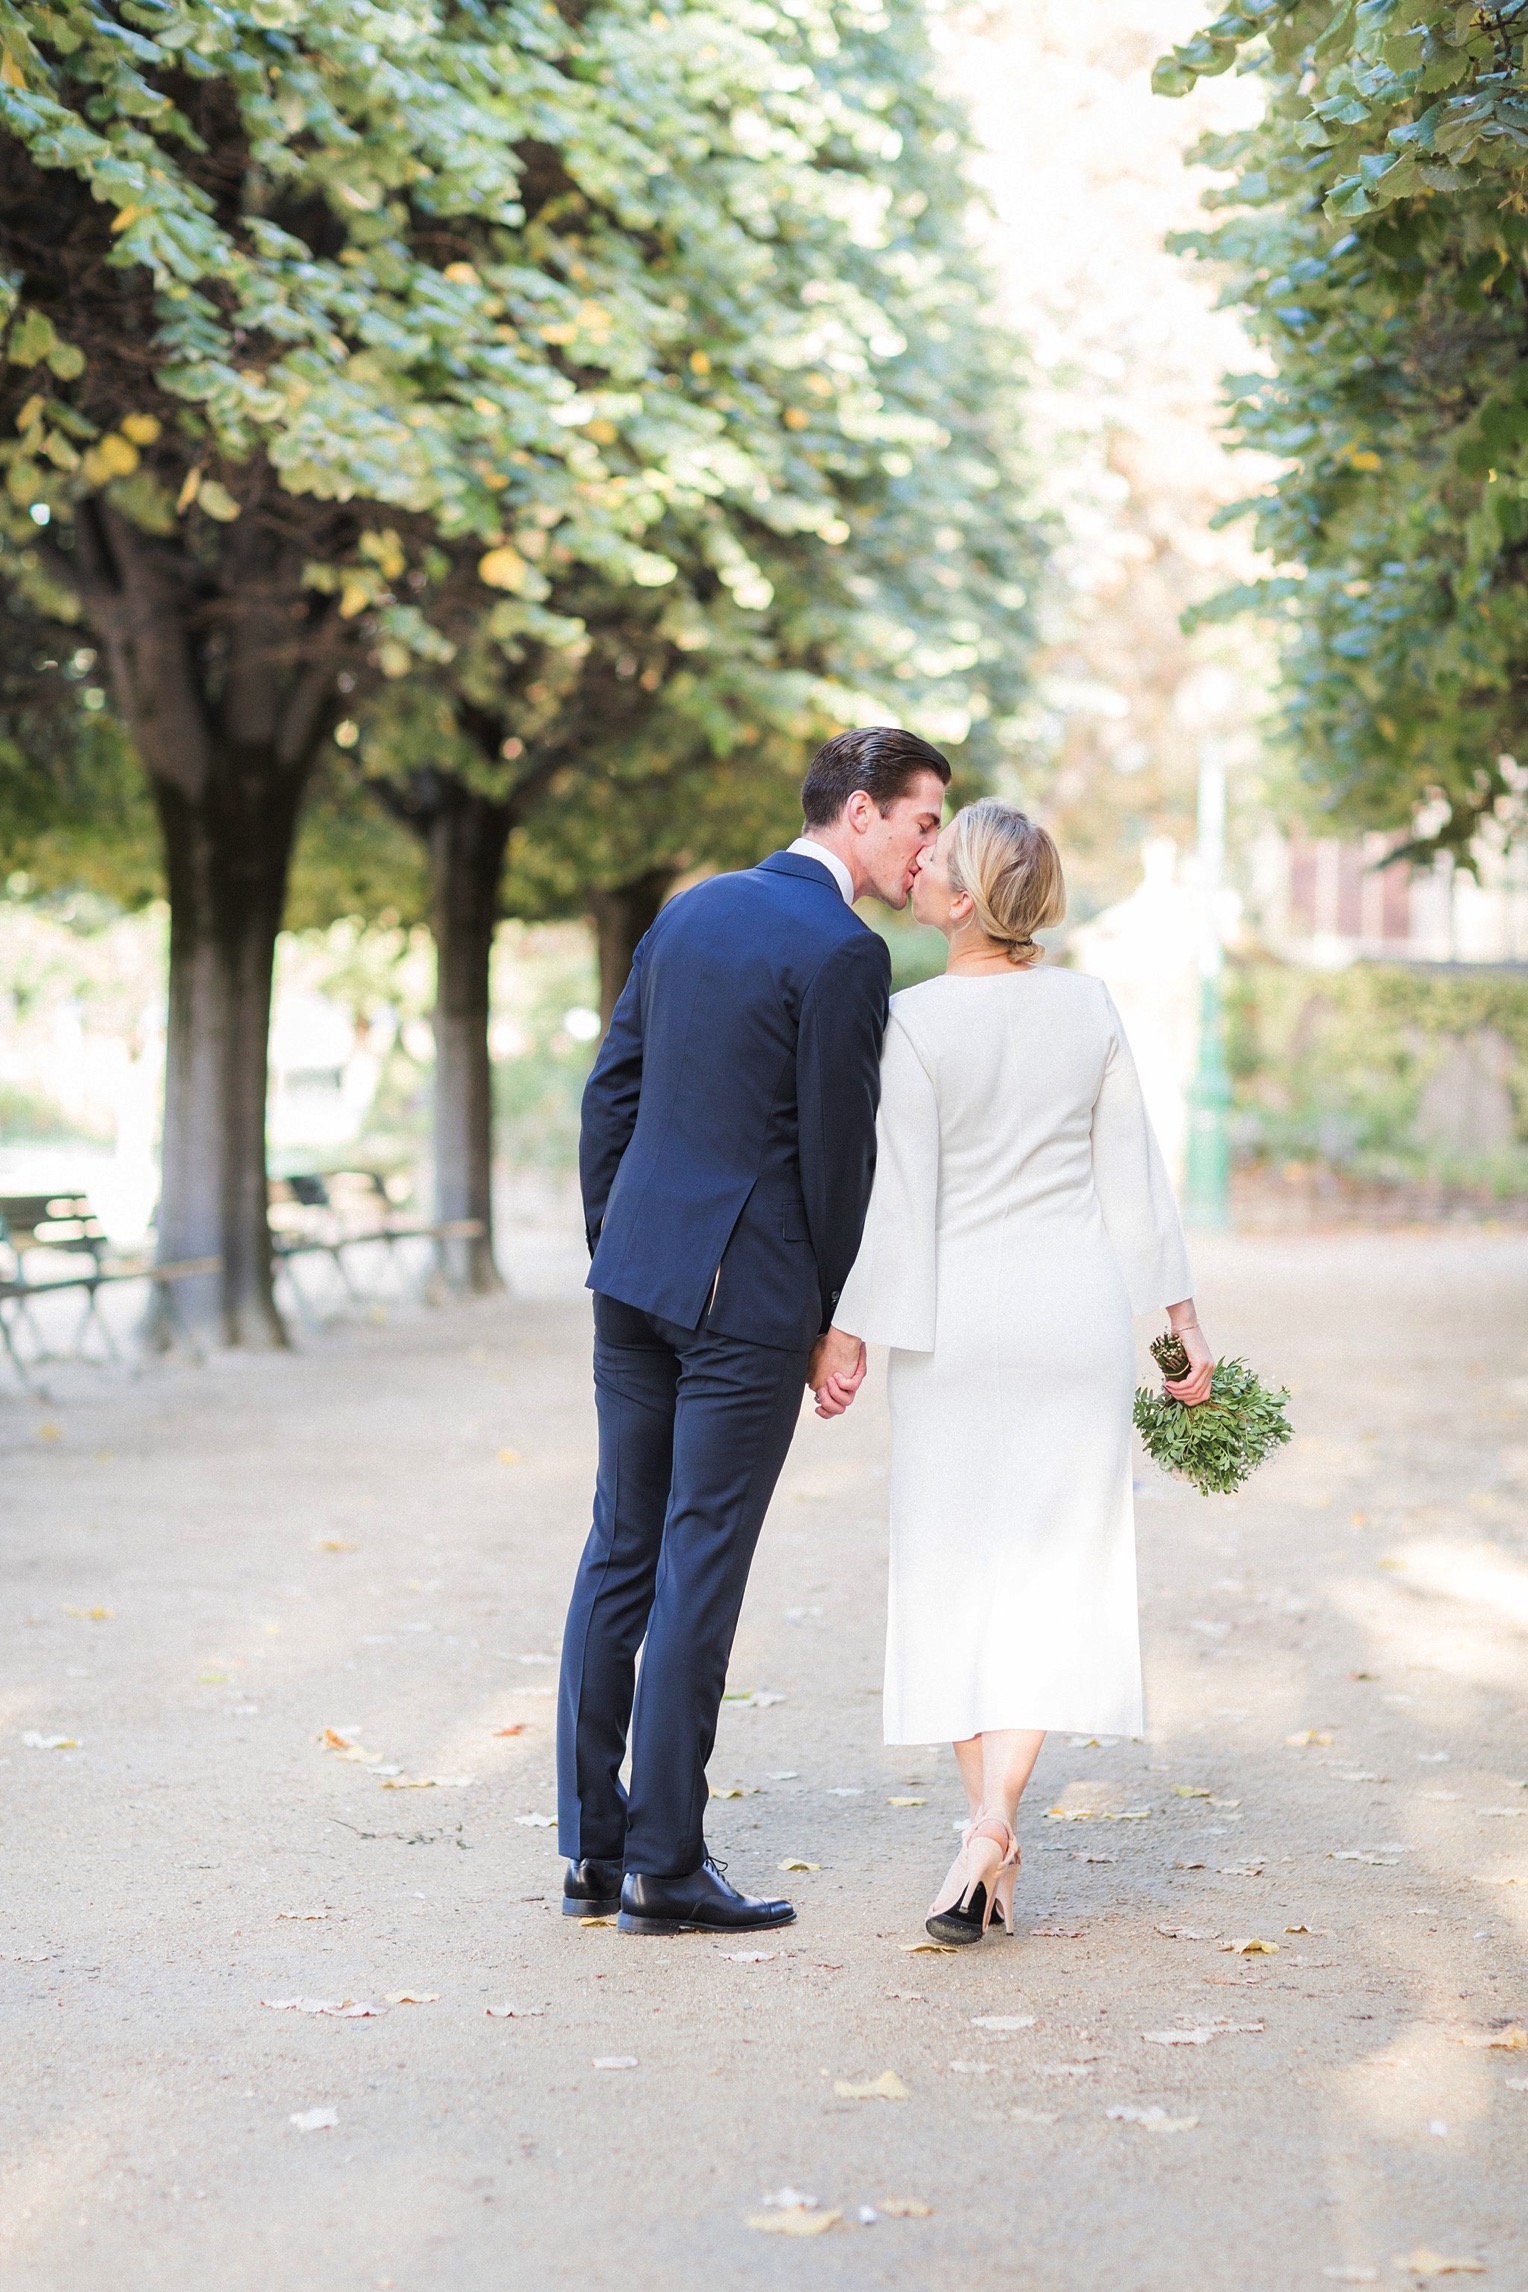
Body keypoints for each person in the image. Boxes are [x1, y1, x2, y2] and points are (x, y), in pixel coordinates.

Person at [557, 725, 951, 1936]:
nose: (930, 848)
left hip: (637, 1277)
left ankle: (593, 1851)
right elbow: (838, 1159)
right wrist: (840, 1314)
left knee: (620, 1546)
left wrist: (615, 1239)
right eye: (925, 820)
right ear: (861, 814)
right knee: (698, 1563)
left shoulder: (689, 911)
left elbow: (610, 1092)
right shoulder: (845, 951)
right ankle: (668, 1868)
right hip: (751, 1298)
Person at [812, 800, 1214, 1945]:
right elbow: (1134, 1179)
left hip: (958, 1324)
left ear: (961, 897)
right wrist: (1179, 1329)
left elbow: (897, 1207)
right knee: (1057, 1570)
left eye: (940, 855)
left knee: (953, 1568)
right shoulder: (1087, 1006)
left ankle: (983, 1822)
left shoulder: (914, 1022)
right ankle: (991, 1828)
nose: (923, 861)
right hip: (1072, 1320)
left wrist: (848, 1333)